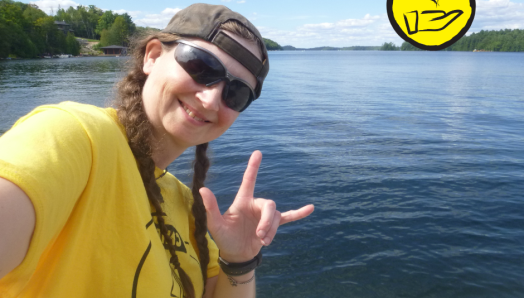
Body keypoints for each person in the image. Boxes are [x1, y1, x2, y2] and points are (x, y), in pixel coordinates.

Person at [0, 3, 314, 298]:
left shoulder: (186, 207)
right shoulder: (75, 138)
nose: (211, 99)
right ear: (152, 56)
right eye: (202, 66)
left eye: (236, 93)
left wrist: (239, 261)